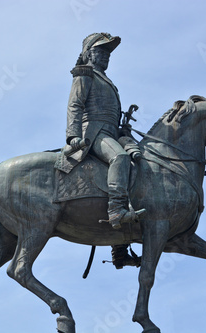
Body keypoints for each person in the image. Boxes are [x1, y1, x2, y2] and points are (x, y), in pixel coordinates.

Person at [66, 32, 145, 230]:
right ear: (88, 54)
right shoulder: (85, 74)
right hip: (94, 132)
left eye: (107, 51)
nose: (105, 55)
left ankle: (119, 246)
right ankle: (116, 209)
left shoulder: (108, 81)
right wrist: (73, 135)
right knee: (120, 158)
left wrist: (123, 129)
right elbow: (75, 105)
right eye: (100, 50)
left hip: (111, 133)